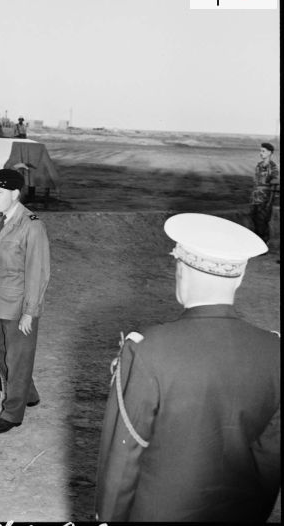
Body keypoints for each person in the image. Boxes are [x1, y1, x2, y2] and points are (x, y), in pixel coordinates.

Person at [95, 213, 280, 522]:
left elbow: (123, 458)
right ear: (239, 277)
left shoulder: (149, 350)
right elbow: (272, 454)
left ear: (181, 269)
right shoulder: (275, 351)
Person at [0, 169, 50, 434]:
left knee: (17, 358)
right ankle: (28, 394)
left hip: (18, 303)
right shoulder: (4, 221)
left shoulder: (31, 224)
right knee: (0, 352)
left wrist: (30, 312)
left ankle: (12, 413)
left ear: (15, 194)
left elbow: (38, 272)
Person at [250, 142, 279, 245]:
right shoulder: (259, 165)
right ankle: (257, 245)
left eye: (263, 151)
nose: (260, 153)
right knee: (255, 221)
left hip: (265, 200)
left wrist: (269, 203)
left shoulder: (273, 167)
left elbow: (274, 186)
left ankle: (263, 244)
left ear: (270, 153)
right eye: (260, 151)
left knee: (262, 222)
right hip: (255, 198)